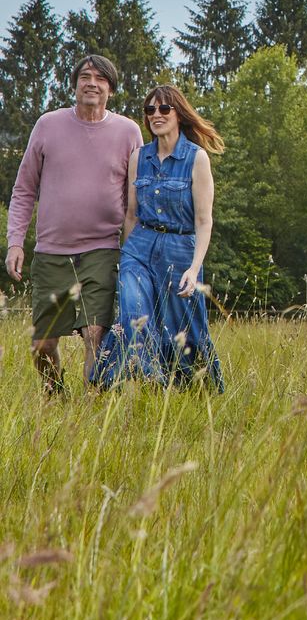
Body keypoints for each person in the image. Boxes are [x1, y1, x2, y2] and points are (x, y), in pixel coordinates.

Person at [4, 55, 142, 393]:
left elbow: (136, 200)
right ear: (75, 83)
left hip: (102, 250)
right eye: (85, 76)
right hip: (52, 252)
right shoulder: (48, 125)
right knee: (43, 345)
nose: (91, 82)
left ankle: (92, 412)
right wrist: (15, 242)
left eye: (100, 78)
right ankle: (55, 393)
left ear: (111, 88)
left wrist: (136, 254)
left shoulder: (128, 132)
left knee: (95, 334)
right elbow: (23, 189)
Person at [99, 85, 226, 391]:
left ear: (178, 114)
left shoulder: (196, 159)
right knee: (133, 311)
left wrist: (194, 269)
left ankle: (194, 388)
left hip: (180, 250)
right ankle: (145, 380)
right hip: (140, 247)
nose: (156, 115)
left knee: (184, 328)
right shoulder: (138, 157)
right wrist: (126, 254)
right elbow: (131, 214)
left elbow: (203, 220)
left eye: (164, 109)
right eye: (150, 110)